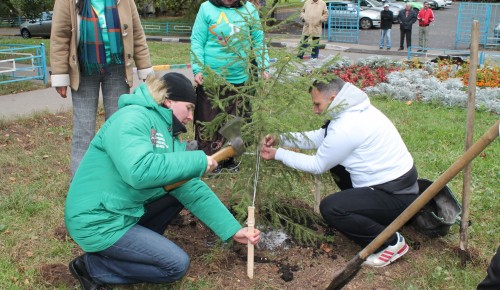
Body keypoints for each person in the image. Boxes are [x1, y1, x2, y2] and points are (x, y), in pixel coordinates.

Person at [65, 72, 260, 289]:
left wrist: (233, 230)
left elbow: (191, 187)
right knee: (175, 265)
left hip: (123, 209)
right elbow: (138, 171)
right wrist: (194, 161)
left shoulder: (169, 134)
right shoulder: (132, 119)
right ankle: (92, 267)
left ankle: (134, 247)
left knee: (180, 187)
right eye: (188, 108)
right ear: (168, 100)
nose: (189, 117)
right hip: (97, 219)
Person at [260, 77, 419, 268]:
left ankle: (390, 242)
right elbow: (320, 138)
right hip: (391, 185)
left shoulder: (348, 126)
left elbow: (318, 164)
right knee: (336, 164)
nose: (315, 110)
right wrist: (281, 139)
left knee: (332, 208)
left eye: (317, 104)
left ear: (333, 98)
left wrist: (278, 154)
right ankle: (365, 215)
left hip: (396, 196)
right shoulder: (349, 110)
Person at [50, 0, 153, 177]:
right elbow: (60, 36)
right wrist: (60, 75)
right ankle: (80, 183)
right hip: (83, 71)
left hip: (117, 68)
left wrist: (145, 69)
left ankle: (117, 179)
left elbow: (136, 32)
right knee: (84, 130)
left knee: (118, 128)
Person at [190, 0, 270, 173]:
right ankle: (209, 159)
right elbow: (197, 40)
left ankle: (229, 158)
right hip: (211, 79)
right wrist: (198, 68)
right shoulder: (206, 9)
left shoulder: (249, 10)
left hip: (240, 79)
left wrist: (263, 65)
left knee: (236, 121)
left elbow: (258, 40)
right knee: (208, 119)